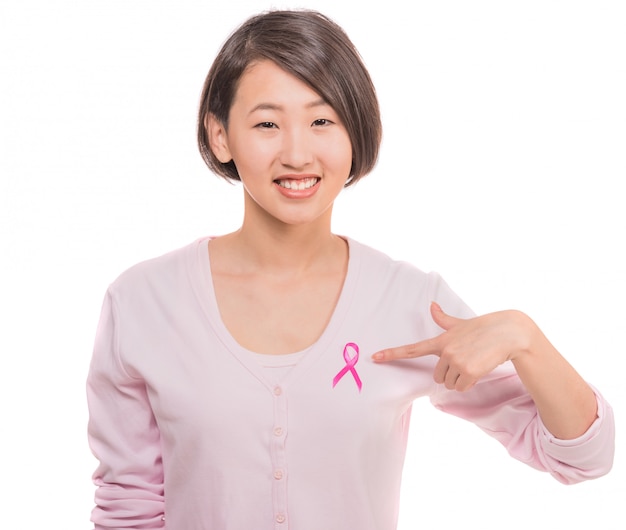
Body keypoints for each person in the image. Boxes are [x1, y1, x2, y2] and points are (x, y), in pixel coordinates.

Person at [86, 9, 615, 530]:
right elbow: (127, 507)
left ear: (355, 132)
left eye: (322, 121)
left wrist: (526, 338)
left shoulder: (410, 302)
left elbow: (583, 456)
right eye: (267, 123)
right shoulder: (143, 302)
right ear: (220, 135)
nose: (297, 153)